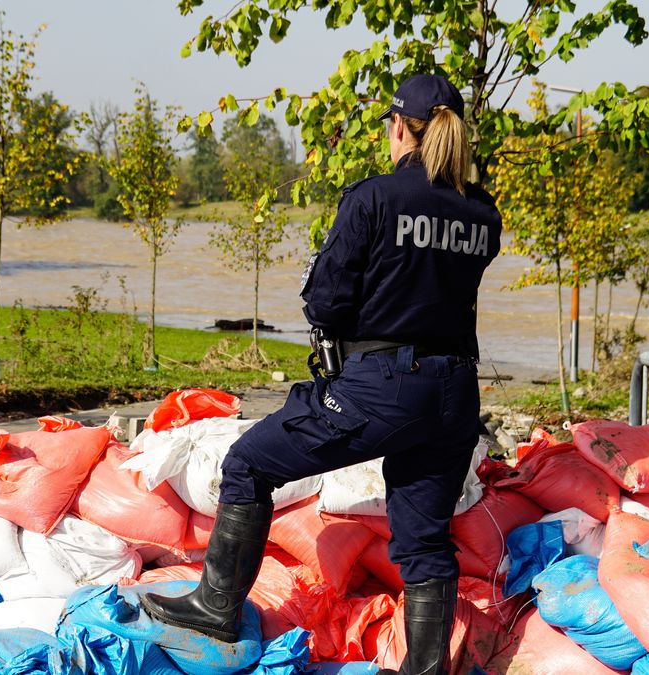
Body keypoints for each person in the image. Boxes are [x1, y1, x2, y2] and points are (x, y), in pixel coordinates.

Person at [142, 74, 503, 675]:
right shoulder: (482, 213)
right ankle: (428, 668)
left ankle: (216, 606)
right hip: (453, 395)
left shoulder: (374, 198)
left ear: (397, 128)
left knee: (249, 464)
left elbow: (327, 301)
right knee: (423, 539)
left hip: (383, 385)